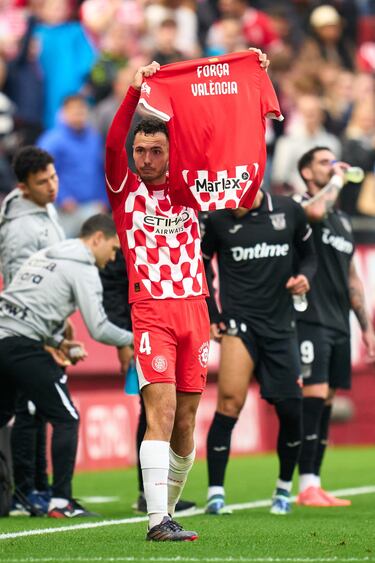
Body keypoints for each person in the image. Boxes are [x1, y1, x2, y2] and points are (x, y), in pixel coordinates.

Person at [105, 53, 269, 540]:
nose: (146, 159)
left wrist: (250, 76)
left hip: (195, 308)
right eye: (142, 151)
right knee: (162, 411)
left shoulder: (193, 188)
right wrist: (135, 93)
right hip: (152, 308)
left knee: (186, 423)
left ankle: (167, 511)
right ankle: (157, 520)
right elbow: (115, 140)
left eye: (156, 151)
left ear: (173, 153)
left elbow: (231, 133)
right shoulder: (125, 190)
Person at [0, 214, 133, 518]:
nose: (113, 258)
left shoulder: (46, 254)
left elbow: (28, 304)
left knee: (3, 414)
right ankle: (61, 502)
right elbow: (99, 328)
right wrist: (136, 339)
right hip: (21, 345)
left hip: (4, 337)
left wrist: (59, 341)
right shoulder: (83, 267)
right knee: (67, 417)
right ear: (97, 238)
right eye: (113, 249)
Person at [202, 188, 316, 516]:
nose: (228, 203)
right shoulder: (217, 218)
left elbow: (309, 256)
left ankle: (283, 488)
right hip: (241, 324)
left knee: (292, 411)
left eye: (235, 195)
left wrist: (305, 278)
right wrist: (213, 314)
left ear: (253, 183)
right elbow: (200, 264)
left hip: (281, 326)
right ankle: (216, 493)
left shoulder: (288, 210)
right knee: (229, 404)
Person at [294, 147, 375, 506]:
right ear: (307, 173)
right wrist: (340, 178)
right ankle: (301, 485)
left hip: (339, 320)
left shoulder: (341, 221)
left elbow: (352, 277)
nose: (333, 167)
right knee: (313, 396)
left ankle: (314, 481)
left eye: (333, 162)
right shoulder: (300, 205)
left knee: (326, 400)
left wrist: (367, 327)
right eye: (324, 163)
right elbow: (315, 209)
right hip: (309, 317)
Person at [99, 248, 196, 514]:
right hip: (143, 328)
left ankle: (157, 494)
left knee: (170, 412)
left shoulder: (179, 226)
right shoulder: (131, 231)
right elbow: (114, 287)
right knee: (153, 411)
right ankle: (148, 493)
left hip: (178, 318)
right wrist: (124, 337)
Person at [0, 146, 66, 514]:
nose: (52, 186)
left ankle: (39, 486)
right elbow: (19, 286)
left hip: (45, 325)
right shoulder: (21, 228)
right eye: (42, 182)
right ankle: (26, 491)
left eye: (53, 177)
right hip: (25, 328)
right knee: (28, 409)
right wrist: (45, 333)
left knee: (38, 409)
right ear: (24, 188)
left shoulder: (44, 208)